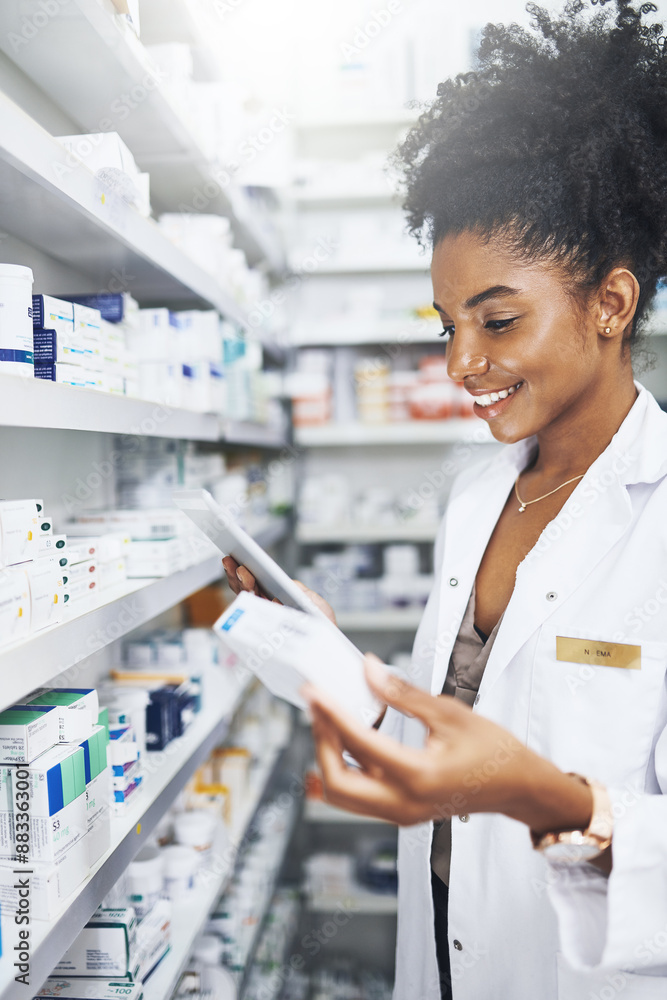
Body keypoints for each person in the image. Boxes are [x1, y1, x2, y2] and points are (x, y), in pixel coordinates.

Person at [224, 2, 667, 997]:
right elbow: (447, 736)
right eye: (446, 326)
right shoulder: (478, 495)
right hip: (443, 945)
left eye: (497, 320)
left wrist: (541, 796)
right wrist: (327, 655)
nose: (464, 364)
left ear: (611, 302)